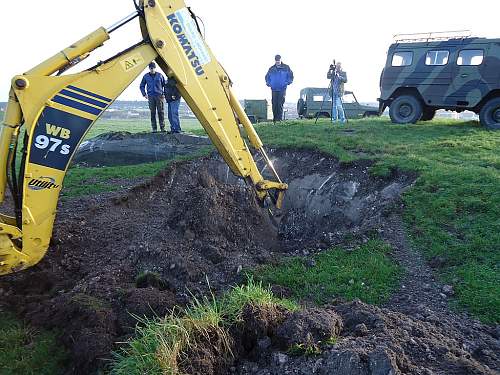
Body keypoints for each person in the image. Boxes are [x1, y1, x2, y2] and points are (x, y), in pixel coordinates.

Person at [265, 55, 294, 123]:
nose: (277, 62)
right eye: (276, 61)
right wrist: (269, 83)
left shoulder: (286, 67)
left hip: (282, 89)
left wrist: (287, 82)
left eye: (278, 61)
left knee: (280, 104)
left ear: (280, 60)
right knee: (274, 104)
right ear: (275, 61)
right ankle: (275, 120)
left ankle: (279, 120)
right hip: (274, 89)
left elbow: (291, 76)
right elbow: (267, 77)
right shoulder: (271, 69)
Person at [140, 62, 167, 133]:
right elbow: (141, 86)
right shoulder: (146, 76)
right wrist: (144, 94)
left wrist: (164, 94)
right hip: (151, 97)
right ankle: (154, 129)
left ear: (155, 68)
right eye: (151, 68)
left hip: (159, 96)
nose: (152, 69)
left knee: (161, 112)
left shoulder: (160, 76)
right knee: (153, 112)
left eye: (153, 68)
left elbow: (165, 85)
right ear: (149, 68)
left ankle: (162, 128)